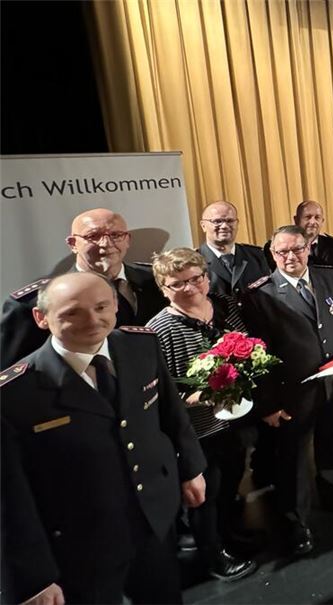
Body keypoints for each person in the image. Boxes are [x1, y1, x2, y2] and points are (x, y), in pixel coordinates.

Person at [0, 272, 206, 604]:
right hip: (78, 540)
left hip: (153, 515)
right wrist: (33, 577)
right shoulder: (14, 394)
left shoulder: (140, 344)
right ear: (41, 318)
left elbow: (170, 414)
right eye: (72, 312)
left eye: (101, 307)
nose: (93, 320)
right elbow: (9, 497)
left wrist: (192, 469)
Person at [239, 225, 333, 557]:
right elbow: (257, 357)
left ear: (308, 248)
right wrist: (267, 404)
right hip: (290, 391)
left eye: (296, 250)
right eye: (281, 252)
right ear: (272, 254)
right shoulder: (259, 294)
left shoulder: (330, 277)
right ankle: (296, 520)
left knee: (331, 438)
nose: (290, 257)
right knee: (292, 457)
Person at [145, 248, 257, 582]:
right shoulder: (158, 330)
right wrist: (197, 397)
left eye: (196, 278)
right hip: (198, 430)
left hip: (235, 418)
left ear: (206, 278)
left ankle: (230, 535)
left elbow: (249, 347)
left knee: (231, 481)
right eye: (177, 283)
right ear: (164, 289)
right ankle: (213, 555)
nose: (190, 287)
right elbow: (158, 394)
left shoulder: (224, 308)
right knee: (205, 496)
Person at [1, 208, 165, 367]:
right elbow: (11, 375)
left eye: (116, 235)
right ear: (73, 244)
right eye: (93, 236)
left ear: (128, 239)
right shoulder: (31, 303)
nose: (106, 244)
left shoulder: (158, 279)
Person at [198, 200, 271, 296]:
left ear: (237, 223)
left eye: (230, 221)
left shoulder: (257, 256)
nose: (224, 226)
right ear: (203, 225)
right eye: (217, 221)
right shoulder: (194, 261)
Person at [263, 200, 333, 271]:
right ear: (296, 220)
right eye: (308, 217)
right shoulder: (277, 246)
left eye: (317, 217)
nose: (313, 222)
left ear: (322, 221)